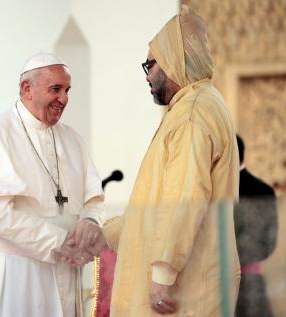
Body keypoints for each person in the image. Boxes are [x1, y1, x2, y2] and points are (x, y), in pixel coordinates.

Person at [101, 5, 241, 316]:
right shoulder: (192, 107)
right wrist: (103, 235)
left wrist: (163, 275)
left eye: (150, 65)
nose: (147, 75)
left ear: (173, 62)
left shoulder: (192, 114)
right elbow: (157, 209)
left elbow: (184, 198)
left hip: (185, 293)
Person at [0, 52, 106, 317]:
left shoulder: (72, 139)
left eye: (67, 90)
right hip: (12, 274)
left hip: (64, 268)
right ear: (27, 89)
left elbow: (94, 200)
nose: (64, 98)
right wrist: (60, 242)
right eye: (55, 89)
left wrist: (90, 222)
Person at [234, 134, 277, 317]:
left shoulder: (222, 190)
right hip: (255, 281)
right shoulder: (265, 190)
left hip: (225, 284)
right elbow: (270, 243)